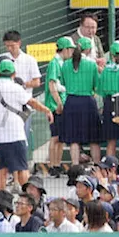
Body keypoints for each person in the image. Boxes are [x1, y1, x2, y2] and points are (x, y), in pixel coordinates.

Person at [0, 59, 52, 193]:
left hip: (0, 135)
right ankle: (27, 197)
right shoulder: (16, 88)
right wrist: (47, 110)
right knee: (22, 168)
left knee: (2, 170)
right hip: (16, 133)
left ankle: (0, 198)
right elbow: (31, 102)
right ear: (14, 73)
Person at [59, 37, 103, 167]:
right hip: (88, 102)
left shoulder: (66, 64)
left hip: (71, 102)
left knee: (73, 139)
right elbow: (96, 85)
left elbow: (63, 83)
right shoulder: (91, 64)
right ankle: (97, 166)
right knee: (94, 139)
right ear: (88, 49)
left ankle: (75, 167)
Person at [44, 37, 74, 173]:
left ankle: (57, 163)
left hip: (61, 103)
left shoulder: (62, 63)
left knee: (61, 138)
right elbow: (52, 84)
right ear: (66, 49)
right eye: (71, 49)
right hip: (54, 105)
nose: (72, 52)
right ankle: (52, 165)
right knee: (55, 136)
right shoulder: (54, 63)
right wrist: (58, 103)